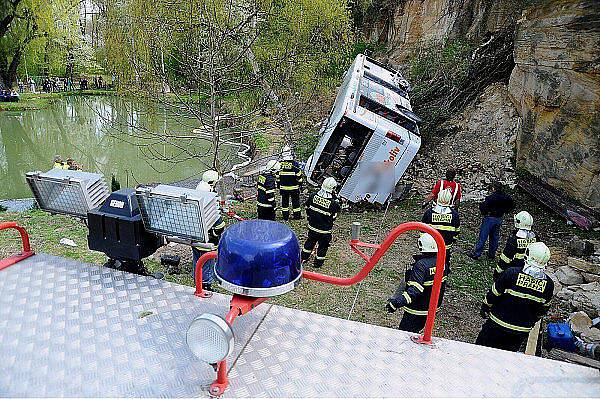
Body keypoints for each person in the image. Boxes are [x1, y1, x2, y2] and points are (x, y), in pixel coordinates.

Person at [476, 242, 554, 352]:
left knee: (480, 351)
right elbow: (543, 309)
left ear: (528, 255)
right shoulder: (548, 285)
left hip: (497, 324)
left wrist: (485, 306)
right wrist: (530, 321)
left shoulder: (511, 274)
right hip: (520, 332)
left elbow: (493, 294)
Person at [386, 233, 449, 333]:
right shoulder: (442, 262)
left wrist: (396, 303)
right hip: (430, 310)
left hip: (416, 310)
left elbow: (415, 290)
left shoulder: (421, 266)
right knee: (417, 330)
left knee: (405, 334)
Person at [191, 181, 226, 291]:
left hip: (196, 242)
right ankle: (205, 285)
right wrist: (214, 235)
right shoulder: (209, 208)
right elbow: (220, 226)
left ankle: (196, 279)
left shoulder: (192, 206)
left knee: (197, 261)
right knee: (207, 265)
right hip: (208, 244)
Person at [468, 181, 514, 260]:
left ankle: (476, 253)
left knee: (483, 236)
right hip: (499, 218)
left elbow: (483, 207)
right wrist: (505, 211)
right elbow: (511, 205)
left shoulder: (491, 198)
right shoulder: (506, 198)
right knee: (495, 237)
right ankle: (492, 253)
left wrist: (484, 212)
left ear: (493, 188)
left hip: (489, 218)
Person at [301, 177, 340, 268]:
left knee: (309, 242)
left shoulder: (313, 196)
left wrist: (310, 217)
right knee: (323, 246)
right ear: (333, 189)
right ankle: (318, 264)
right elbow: (333, 216)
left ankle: (303, 257)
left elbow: (307, 208)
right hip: (324, 231)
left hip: (312, 227)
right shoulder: (333, 204)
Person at [494, 210, 536, 280]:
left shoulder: (513, 240)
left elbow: (505, 259)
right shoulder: (535, 238)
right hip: (529, 272)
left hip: (514, 272)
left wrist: (497, 273)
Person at [421, 188, 460, 255]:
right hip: (445, 247)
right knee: (444, 264)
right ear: (450, 200)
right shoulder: (454, 215)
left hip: (429, 248)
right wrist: (453, 239)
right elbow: (456, 231)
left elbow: (422, 230)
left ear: (438, 198)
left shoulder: (429, 213)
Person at [278, 146, 303, 220]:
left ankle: (285, 217)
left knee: (284, 203)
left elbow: (277, 176)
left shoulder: (280, 164)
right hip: (294, 188)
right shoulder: (295, 164)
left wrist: (279, 185)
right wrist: (300, 185)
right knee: (296, 202)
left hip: (283, 188)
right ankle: (297, 216)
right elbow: (299, 176)